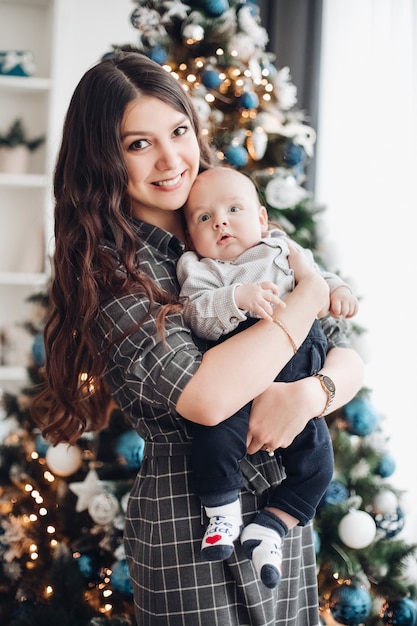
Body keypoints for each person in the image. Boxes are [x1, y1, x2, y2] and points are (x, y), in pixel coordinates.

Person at [32, 52, 364, 626]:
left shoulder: (230, 219)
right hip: (192, 527)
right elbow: (208, 396)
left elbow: (346, 353)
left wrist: (313, 395)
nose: (169, 159)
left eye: (179, 131)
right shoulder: (113, 271)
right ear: (104, 159)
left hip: (280, 518)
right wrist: (308, 289)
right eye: (138, 144)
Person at [177, 166, 359, 588]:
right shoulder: (202, 270)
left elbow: (315, 279)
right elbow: (196, 314)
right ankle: (222, 512)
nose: (220, 220)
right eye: (204, 218)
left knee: (319, 466)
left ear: (261, 219)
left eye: (233, 209)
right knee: (216, 438)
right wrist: (237, 297)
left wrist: (336, 291)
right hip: (243, 378)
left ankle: (272, 526)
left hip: (302, 368)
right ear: (190, 238)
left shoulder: (280, 247)